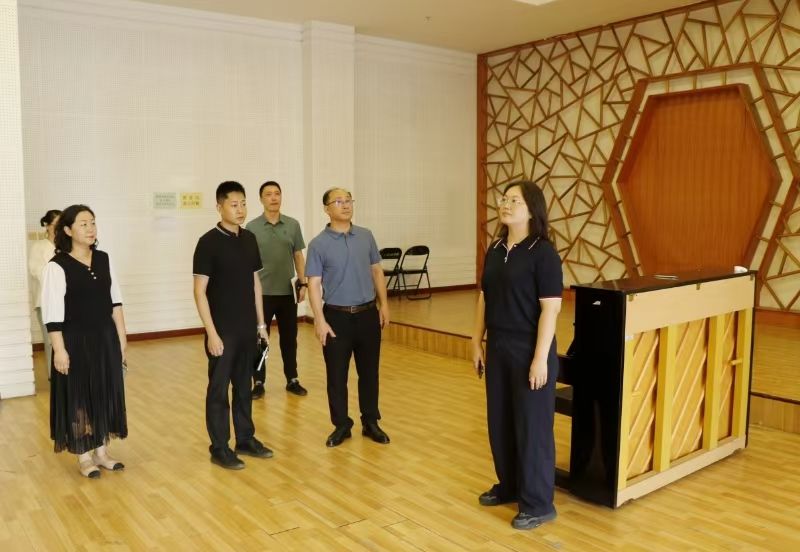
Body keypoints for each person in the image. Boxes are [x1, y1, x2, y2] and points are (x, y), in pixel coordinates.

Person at [471, 180, 563, 530]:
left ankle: (538, 503)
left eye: (515, 201)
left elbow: (550, 310)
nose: (506, 205)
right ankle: (509, 484)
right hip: (499, 345)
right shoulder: (495, 249)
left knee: (532, 427)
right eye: (504, 199)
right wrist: (476, 341)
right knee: (501, 421)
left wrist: (540, 359)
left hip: (529, 347)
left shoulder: (543, 253)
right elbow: (484, 297)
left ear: (532, 210)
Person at [40, 205, 128, 478]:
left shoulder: (103, 259)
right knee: (79, 396)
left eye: (93, 222)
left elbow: (115, 301)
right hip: (74, 341)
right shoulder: (56, 266)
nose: (91, 228)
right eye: (83, 224)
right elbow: (52, 315)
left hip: (104, 338)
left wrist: (122, 339)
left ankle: (102, 452)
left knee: (102, 392)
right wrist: (59, 350)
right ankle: (84, 456)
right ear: (67, 230)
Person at [192, 181, 273, 470]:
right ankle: (219, 447)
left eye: (243, 204)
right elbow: (199, 291)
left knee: (243, 387)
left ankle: (245, 439)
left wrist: (261, 324)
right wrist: (211, 333)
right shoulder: (208, 242)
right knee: (218, 390)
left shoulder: (249, 238)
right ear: (220, 207)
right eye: (234, 204)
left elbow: (255, 283)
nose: (240, 210)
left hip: (247, 327)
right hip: (222, 330)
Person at [306, 187, 391, 448]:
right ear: (326, 208)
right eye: (339, 201)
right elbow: (314, 284)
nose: (345, 205)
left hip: (367, 314)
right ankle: (341, 424)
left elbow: (377, 271)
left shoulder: (366, 236)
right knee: (336, 375)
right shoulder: (318, 244)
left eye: (348, 200)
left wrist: (384, 305)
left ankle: (370, 421)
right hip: (336, 318)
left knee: (370, 373)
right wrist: (319, 320)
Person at [245, 180, 308, 399]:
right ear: (261, 199)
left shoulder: (292, 224)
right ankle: (258, 381)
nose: (274, 198)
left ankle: (292, 379)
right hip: (261, 295)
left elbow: (298, 256)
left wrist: (303, 283)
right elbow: (247, 262)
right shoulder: (252, 227)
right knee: (260, 341)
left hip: (287, 293)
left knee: (290, 339)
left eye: (277, 193)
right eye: (268, 194)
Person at [29, 209, 61, 373]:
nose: (58, 228)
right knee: (51, 341)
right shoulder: (38, 246)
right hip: (45, 301)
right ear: (47, 226)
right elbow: (36, 271)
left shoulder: (67, 246)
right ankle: (52, 376)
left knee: (67, 340)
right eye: (55, 224)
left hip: (67, 300)